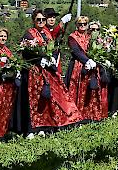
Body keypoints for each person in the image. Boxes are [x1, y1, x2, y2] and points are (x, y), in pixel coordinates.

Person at [15, 10, 79, 138]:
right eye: (38, 20)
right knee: (32, 100)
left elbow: (53, 48)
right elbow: (27, 53)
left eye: (43, 20)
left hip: (47, 71)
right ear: (34, 20)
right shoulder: (29, 34)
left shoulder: (47, 33)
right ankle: (30, 129)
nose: (41, 22)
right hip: (33, 71)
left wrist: (53, 58)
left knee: (45, 99)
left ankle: (44, 126)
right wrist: (40, 59)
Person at [66, 15, 108, 122]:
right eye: (80, 24)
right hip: (78, 65)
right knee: (77, 90)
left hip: (92, 66)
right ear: (76, 25)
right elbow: (76, 51)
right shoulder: (72, 37)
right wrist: (87, 60)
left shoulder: (90, 36)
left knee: (91, 91)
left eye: (85, 24)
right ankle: (77, 115)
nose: (82, 26)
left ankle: (91, 114)